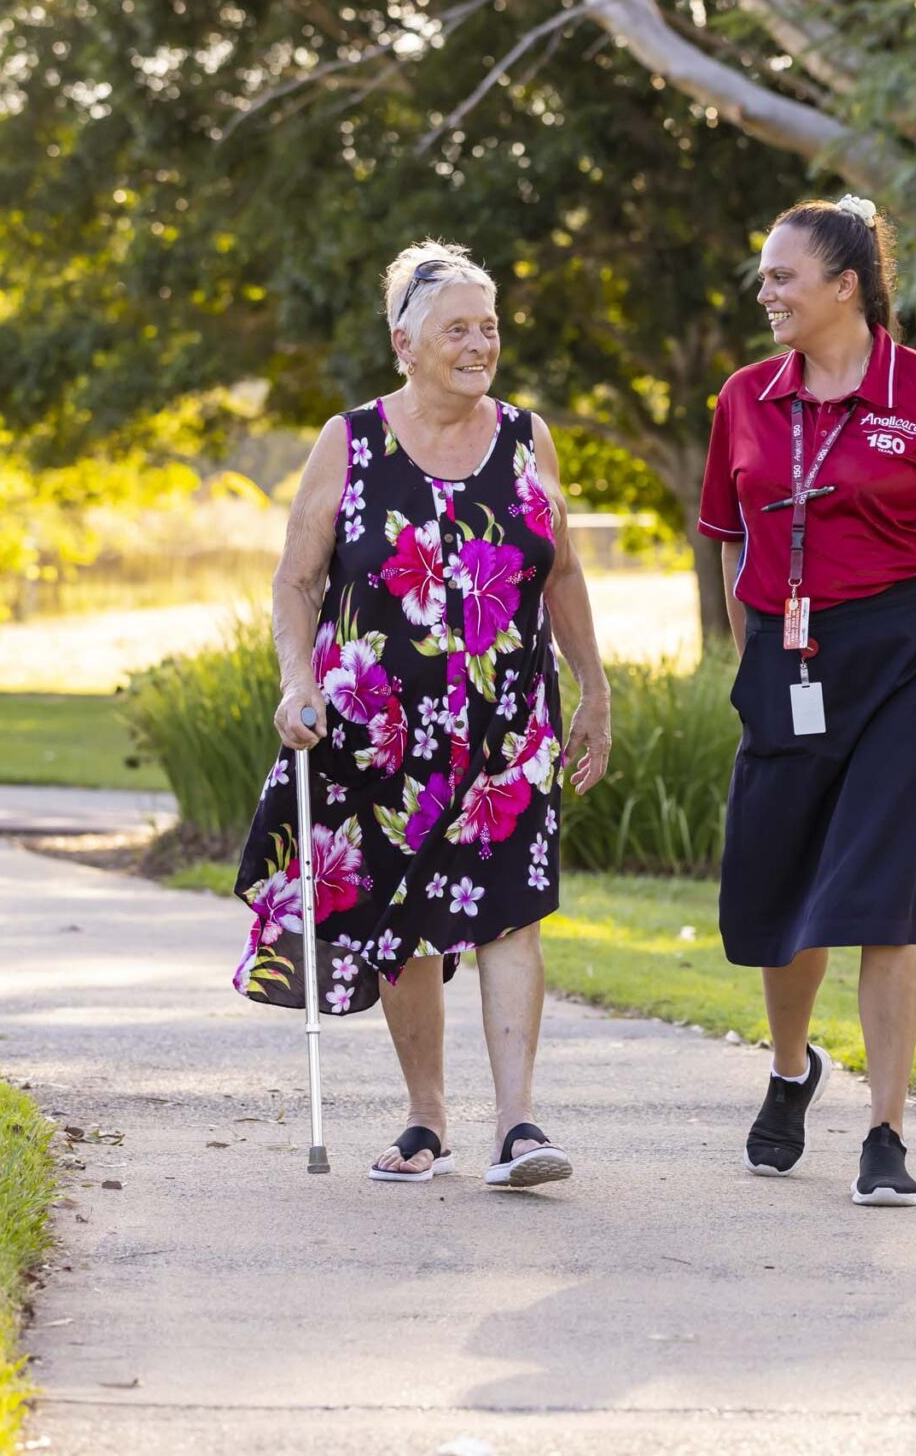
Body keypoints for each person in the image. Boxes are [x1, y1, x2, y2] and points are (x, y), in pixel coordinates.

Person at [229, 241, 613, 1191]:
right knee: (403, 922)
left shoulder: (527, 438)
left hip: (508, 722)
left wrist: (593, 687)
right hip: (379, 727)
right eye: (457, 330)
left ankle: (518, 1126)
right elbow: (296, 580)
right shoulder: (351, 440)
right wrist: (295, 681)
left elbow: (561, 572)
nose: (480, 345)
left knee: (511, 913)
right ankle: (427, 1117)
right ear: (404, 344)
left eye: (489, 327)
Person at [697, 194, 916, 1208]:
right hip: (789, 658)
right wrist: (757, 661)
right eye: (764, 276)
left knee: (889, 896)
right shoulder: (744, 398)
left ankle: (886, 1131)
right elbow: (729, 541)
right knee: (777, 891)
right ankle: (791, 1068)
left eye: (783, 276)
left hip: (905, 661)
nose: (766, 292)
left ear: (846, 285)